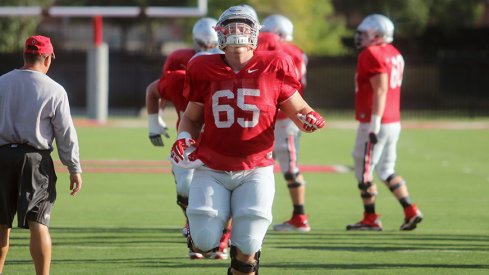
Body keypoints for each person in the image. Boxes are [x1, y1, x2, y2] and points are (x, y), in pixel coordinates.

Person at [169, 6, 325, 274]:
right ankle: (218, 238)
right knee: (203, 242)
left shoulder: (274, 64)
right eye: (230, 27)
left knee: (249, 241)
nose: (236, 32)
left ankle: (243, 261)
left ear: (255, 34)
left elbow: (298, 109)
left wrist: (309, 119)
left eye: (242, 27)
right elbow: (192, 117)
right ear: (219, 34)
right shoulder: (202, 66)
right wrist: (184, 135)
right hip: (211, 166)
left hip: (255, 167)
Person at [145, 17, 231, 260]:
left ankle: (222, 238)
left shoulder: (228, 79)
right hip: (190, 144)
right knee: (184, 187)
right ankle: (195, 227)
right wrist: (154, 124)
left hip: (221, 144)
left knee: (228, 188)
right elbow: (153, 91)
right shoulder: (178, 78)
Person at [0, 35, 83, 275]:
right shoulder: (54, 90)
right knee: (39, 222)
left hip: (1, 156)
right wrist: (74, 167)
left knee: (1, 224)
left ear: (25, 55)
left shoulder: (2, 82)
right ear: (47, 58)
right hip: (35, 161)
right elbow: (65, 133)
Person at [346, 14, 423, 231]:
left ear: (378, 34)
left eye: (364, 33)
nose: (360, 37)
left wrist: (374, 122)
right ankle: (410, 210)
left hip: (376, 121)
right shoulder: (394, 52)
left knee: (363, 170)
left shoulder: (372, 53)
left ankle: (370, 218)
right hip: (393, 120)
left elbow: (380, 88)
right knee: (386, 169)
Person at [258, 14, 312, 232]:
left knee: (288, 167)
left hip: (282, 116)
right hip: (281, 115)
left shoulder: (282, 52)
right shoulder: (296, 51)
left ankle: (300, 217)